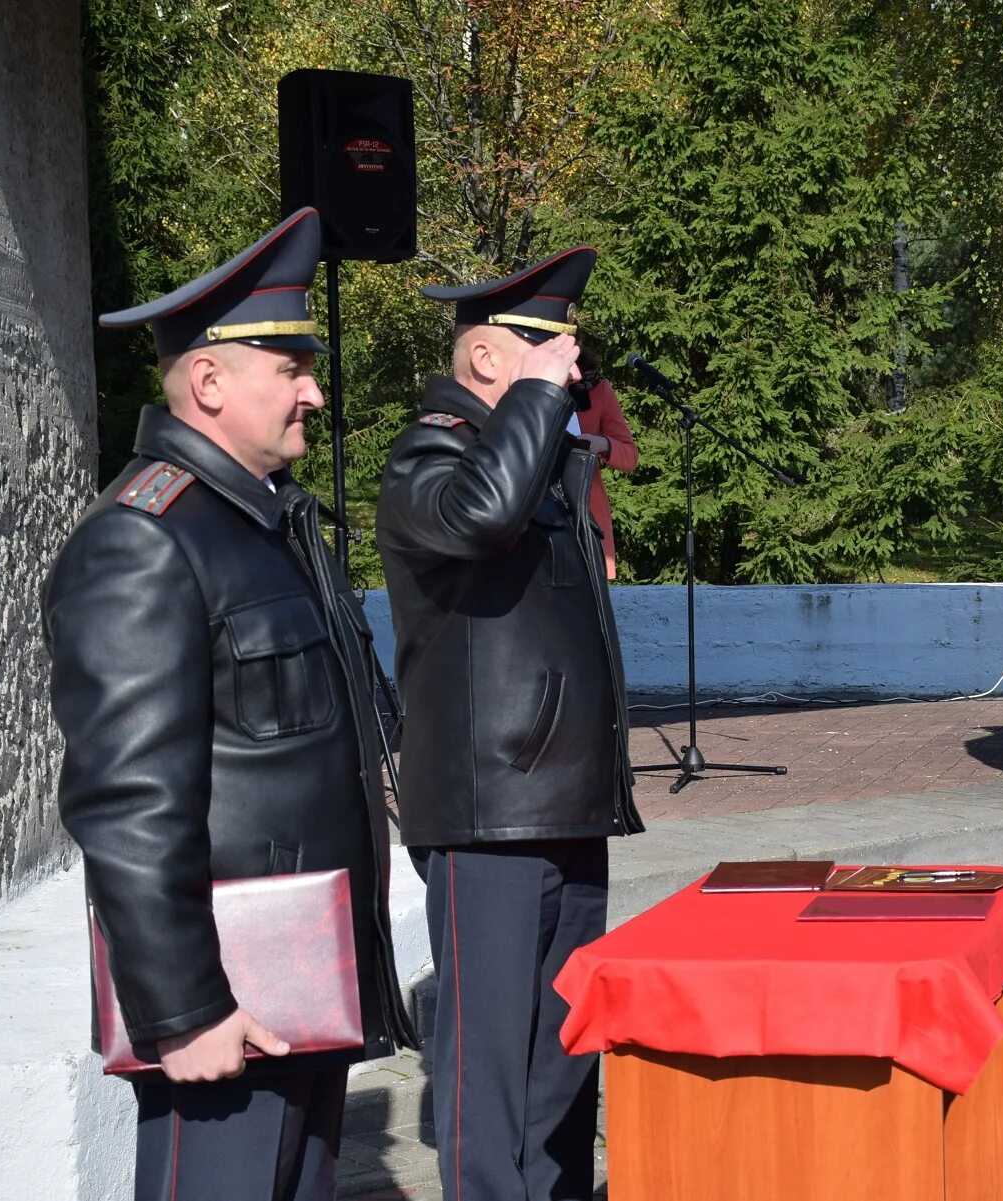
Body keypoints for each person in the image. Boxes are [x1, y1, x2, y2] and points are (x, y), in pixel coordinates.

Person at [43, 208, 416, 1201]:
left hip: (301, 987)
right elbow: (126, 807)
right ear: (209, 382)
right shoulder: (144, 541)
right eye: (291, 369)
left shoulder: (266, 526)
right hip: (228, 1010)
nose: (317, 392)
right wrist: (184, 1007)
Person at [376, 246, 644, 1201]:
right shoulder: (431, 452)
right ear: (488, 359)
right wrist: (539, 407)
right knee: (488, 1067)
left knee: (565, 1055)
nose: (574, 361)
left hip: (566, 798)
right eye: (548, 344)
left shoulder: (544, 448)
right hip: (488, 809)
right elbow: (479, 517)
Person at [571, 348, 640, 578]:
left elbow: (630, 456)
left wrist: (602, 444)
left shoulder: (597, 389)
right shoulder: (523, 384)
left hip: (585, 514)